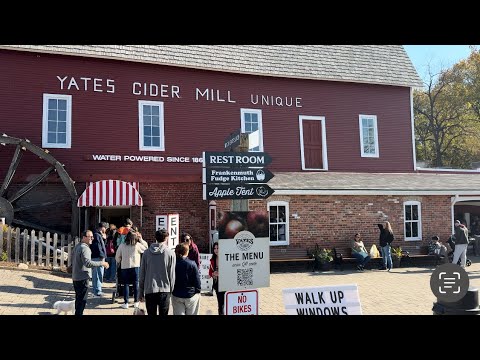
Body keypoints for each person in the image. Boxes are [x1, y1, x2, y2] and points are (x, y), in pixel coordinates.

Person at [139, 229, 176, 316]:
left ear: (155, 238)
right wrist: (172, 290)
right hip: (165, 289)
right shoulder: (170, 253)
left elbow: (142, 274)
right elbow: (172, 274)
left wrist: (140, 291)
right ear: (166, 238)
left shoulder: (146, 253)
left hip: (150, 289)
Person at [71, 230, 109, 315]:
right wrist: (101, 263)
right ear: (84, 237)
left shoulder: (77, 246)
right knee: (82, 301)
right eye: (90, 237)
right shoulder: (85, 248)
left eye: (92, 237)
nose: (92, 238)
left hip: (76, 277)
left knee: (78, 299)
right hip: (83, 277)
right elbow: (88, 263)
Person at [115, 229, 148, 309]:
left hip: (124, 267)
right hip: (135, 266)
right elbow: (146, 247)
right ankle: (136, 301)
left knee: (125, 284)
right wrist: (141, 239)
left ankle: (126, 302)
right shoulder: (137, 245)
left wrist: (119, 262)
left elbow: (117, 257)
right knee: (136, 284)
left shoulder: (122, 245)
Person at [171, 243, 201, 315]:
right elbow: (197, 280)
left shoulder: (173, 263)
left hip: (176, 294)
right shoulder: (192, 264)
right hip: (190, 294)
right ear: (187, 252)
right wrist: (198, 290)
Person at [91, 222, 108, 296]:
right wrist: (102, 256)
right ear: (103, 228)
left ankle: (97, 290)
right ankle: (97, 291)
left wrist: (104, 239)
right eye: (105, 228)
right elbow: (98, 246)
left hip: (96, 256)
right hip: (98, 257)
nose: (106, 230)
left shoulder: (97, 234)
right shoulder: (97, 235)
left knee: (97, 274)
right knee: (98, 274)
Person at [209, 242, 225, 315]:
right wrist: (213, 274)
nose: (216, 250)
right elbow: (210, 272)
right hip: (217, 284)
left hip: (226, 284)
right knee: (220, 304)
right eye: (214, 248)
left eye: (217, 248)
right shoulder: (212, 259)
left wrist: (221, 274)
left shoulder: (225, 258)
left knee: (227, 303)